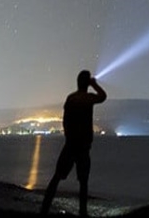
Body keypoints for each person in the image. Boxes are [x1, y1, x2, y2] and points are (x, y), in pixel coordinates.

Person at [41, 70, 107, 216]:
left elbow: (65, 121)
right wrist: (94, 84)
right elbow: (103, 97)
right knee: (83, 182)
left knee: (57, 177)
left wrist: (68, 136)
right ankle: (82, 212)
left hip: (70, 144)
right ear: (86, 83)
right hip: (83, 146)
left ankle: (44, 209)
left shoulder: (71, 98)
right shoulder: (87, 98)